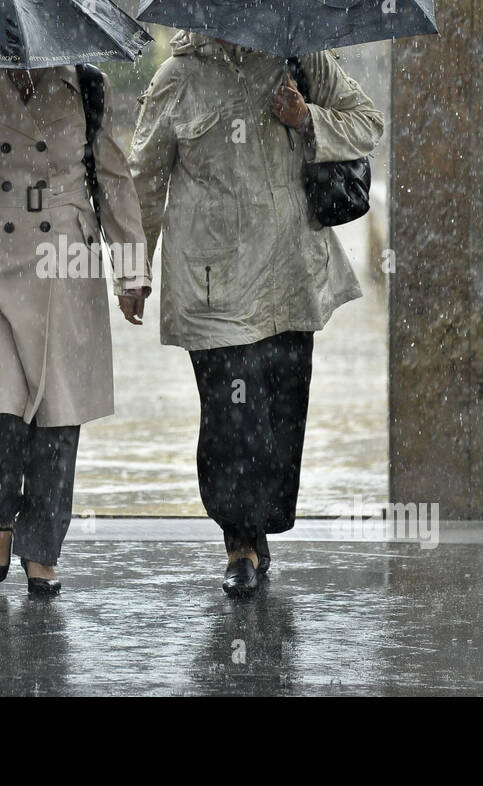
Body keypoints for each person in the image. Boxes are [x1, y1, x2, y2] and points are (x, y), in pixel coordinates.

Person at [129, 31, 383, 596]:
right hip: (211, 284)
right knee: (231, 415)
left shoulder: (302, 56)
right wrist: (133, 271)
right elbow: (143, 178)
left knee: (280, 413)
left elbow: (368, 122)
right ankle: (239, 539)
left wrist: (308, 117)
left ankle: (260, 522)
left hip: (291, 277)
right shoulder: (178, 76)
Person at [0, 63, 150, 596]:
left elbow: (113, 180)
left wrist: (131, 272)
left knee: (56, 414)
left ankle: (41, 547)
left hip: (64, 258)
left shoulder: (87, 84)